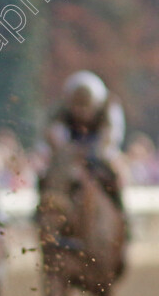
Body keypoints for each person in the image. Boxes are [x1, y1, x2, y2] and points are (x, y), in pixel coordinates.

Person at [45, 70, 126, 209]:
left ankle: (122, 211)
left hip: (98, 145)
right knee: (46, 173)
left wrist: (96, 151)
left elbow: (110, 138)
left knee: (116, 171)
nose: (81, 112)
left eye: (85, 106)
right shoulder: (60, 109)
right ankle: (42, 211)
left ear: (96, 104)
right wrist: (65, 151)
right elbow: (51, 133)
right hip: (72, 144)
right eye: (77, 106)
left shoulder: (108, 109)